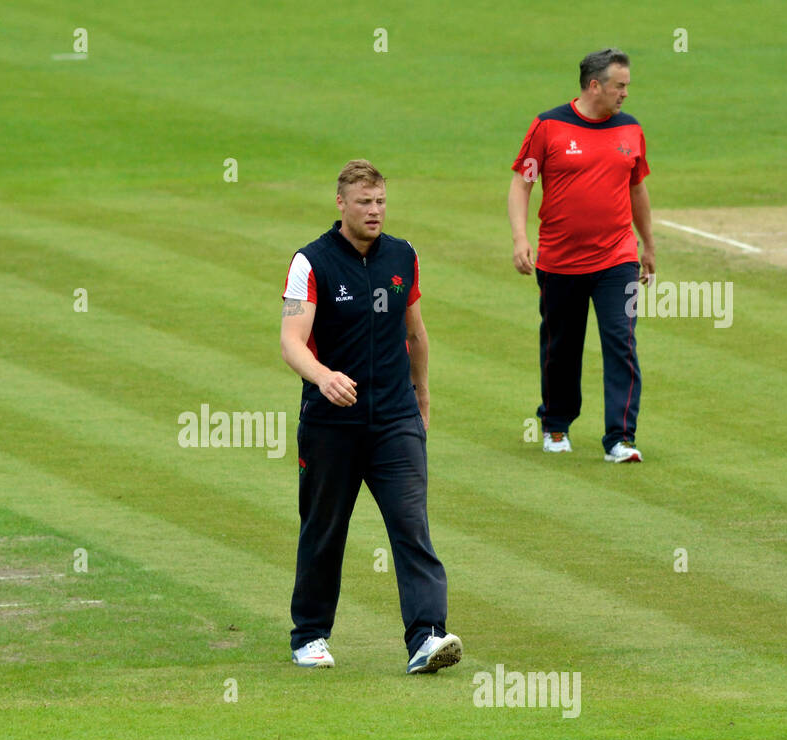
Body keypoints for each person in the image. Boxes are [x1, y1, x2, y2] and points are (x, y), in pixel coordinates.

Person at [280, 160, 463, 674]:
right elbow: (291, 341)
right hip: (329, 422)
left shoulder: (404, 256)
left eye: (381, 201)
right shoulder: (310, 262)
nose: (375, 211)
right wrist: (322, 377)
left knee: (412, 527)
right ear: (341, 204)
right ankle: (310, 635)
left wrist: (422, 396)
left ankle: (426, 637)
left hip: (395, 420)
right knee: (324, 528)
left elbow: (416, 334)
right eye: (364, 202)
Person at [508, 47, 656, 463]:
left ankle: (620, 438)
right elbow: (522, 184)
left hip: (617, 258)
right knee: (561, 346)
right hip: (559, 261)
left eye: (627, 85)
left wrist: (648, 243)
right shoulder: (549, 126)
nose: (625, 93)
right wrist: (520, 238)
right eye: (619, 85)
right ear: (595, 85)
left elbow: (637, 188)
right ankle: (556, 426)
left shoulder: (631, 130)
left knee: (621, 341)